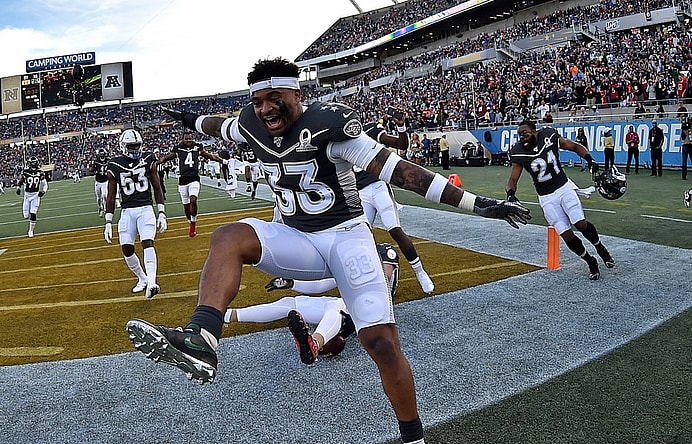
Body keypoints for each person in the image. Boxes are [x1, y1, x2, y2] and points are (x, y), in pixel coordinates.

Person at [125, 57, 530, 444]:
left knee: (382, 343)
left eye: (274, 99)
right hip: (298, 238)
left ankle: (413, 438)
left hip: (345, 237)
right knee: (229, 236)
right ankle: (203, 339)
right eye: (257, 102)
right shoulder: (251, 122)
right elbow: (219, 126)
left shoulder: (329, 124)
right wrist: (187, 119)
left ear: (297, 94)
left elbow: (403, 173)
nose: (265, 109)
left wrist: (479, 205)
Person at [225, 242, 401, 364]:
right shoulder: (360, 267)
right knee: (291, 304)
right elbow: (320, 285)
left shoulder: (384, 270)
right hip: (347, 308)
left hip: (365, 316)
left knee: (336, 306)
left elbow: (385, 272)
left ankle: (314, 344)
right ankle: (228, 315)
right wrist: (291, 283)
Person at [507, 120, 615, 280]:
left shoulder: (548, 135)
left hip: (564, 187)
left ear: (534, 131)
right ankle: (590, 260)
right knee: (566, 235)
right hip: (546, 197)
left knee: (580, 223)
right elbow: (513, 179)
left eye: (525, 133)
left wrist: (589, 159)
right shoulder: (518, 152)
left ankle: (600, 248)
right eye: (519, 135)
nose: (522, 137)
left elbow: (575, 146)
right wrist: (510, 194)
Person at [361, 113, 434, 294]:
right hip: (359, 192)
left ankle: (420, 272)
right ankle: (368, 278)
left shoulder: (369, 130)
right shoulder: (337, 137)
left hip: (378, 186)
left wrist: (401, 127)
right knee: (359, 238)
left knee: (394, 228)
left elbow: (401, 145)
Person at [104, 129, 168, 299]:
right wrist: (108, 221)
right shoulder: (114, 165)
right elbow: (111, 196)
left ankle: (153, 282)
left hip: (145, 208)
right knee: (127, 248)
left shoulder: (148, 159)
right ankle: (143, 279)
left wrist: (161, 212)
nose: (135, 149)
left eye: (137, 146)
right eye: (131, 146)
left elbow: (157, 186)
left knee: (148, 242)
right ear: (123, 146)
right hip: (127, 211)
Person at [157, 130, 226, 237]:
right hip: (183, 180)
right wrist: (157, 161)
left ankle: (193, 224)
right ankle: (190, 221)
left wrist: (224, 161)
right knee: (186, 207)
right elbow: (167, 158)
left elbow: (210, 156)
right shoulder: (178, 148)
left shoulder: (197, 147)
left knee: (193, 199)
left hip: (194, 178)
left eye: (190, 138)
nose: (188, 140)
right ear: (183, 139)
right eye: (186, 139)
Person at [16, 156, 48, 238]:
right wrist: (18, 188)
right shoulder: (25, 172)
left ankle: (30, 231)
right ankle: (30, 226)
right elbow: (21, 181)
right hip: (27, 196)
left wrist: (43, 191)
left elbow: (45, 184)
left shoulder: (40, 172)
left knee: (33, 213)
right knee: (26, 215)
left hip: (35, 195)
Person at [90, 148, 110, 217]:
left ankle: (105, 209)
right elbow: (91, 171)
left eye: (102, 153)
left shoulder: (108, 160)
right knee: (99, 198)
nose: (102, 155)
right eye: (100, 153)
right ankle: (100, 208)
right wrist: (95, 171)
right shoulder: (96, 161)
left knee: (104, 195)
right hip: (98, 181)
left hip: (105, 181)